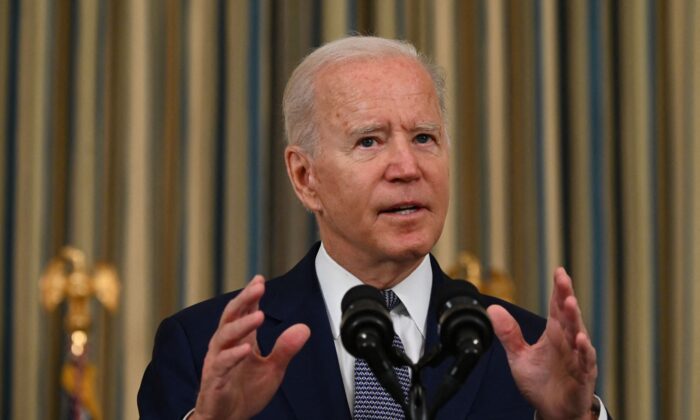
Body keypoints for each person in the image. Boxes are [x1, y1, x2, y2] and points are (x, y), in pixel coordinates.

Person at [138, 36, 608, 420]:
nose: (406, 167)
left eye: (424, 137)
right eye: (369, 141)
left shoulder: (526, 353)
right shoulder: (202, 351)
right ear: (306, 178)